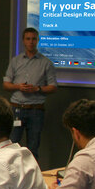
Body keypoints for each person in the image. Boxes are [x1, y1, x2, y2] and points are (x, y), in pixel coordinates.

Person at [3, 27, 57, 159]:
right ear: (23, 41)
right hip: (17, 108)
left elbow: (53, 87)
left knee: (33, 148)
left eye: (34, 39)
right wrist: (18, 86)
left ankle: (32, 178)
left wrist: (37, 89)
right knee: (11, 146)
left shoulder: (46, 63)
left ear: (37, 40)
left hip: (35, 110)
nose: (31, 42)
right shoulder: (16, 61)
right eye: (28, 39)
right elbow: (6, 84)